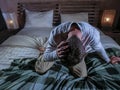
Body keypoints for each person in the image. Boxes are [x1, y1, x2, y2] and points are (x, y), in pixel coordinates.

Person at [35, 22, 120, 77]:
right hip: (57, 49)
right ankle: (44, 49)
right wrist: (55, 54)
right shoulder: (56, 33)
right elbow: (47, 56)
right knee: (40, 69)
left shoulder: (93, 34)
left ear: (84, 47)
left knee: (82, 75)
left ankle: (48, 49)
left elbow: (99, 48)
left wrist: (108, 60)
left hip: (76, 53)